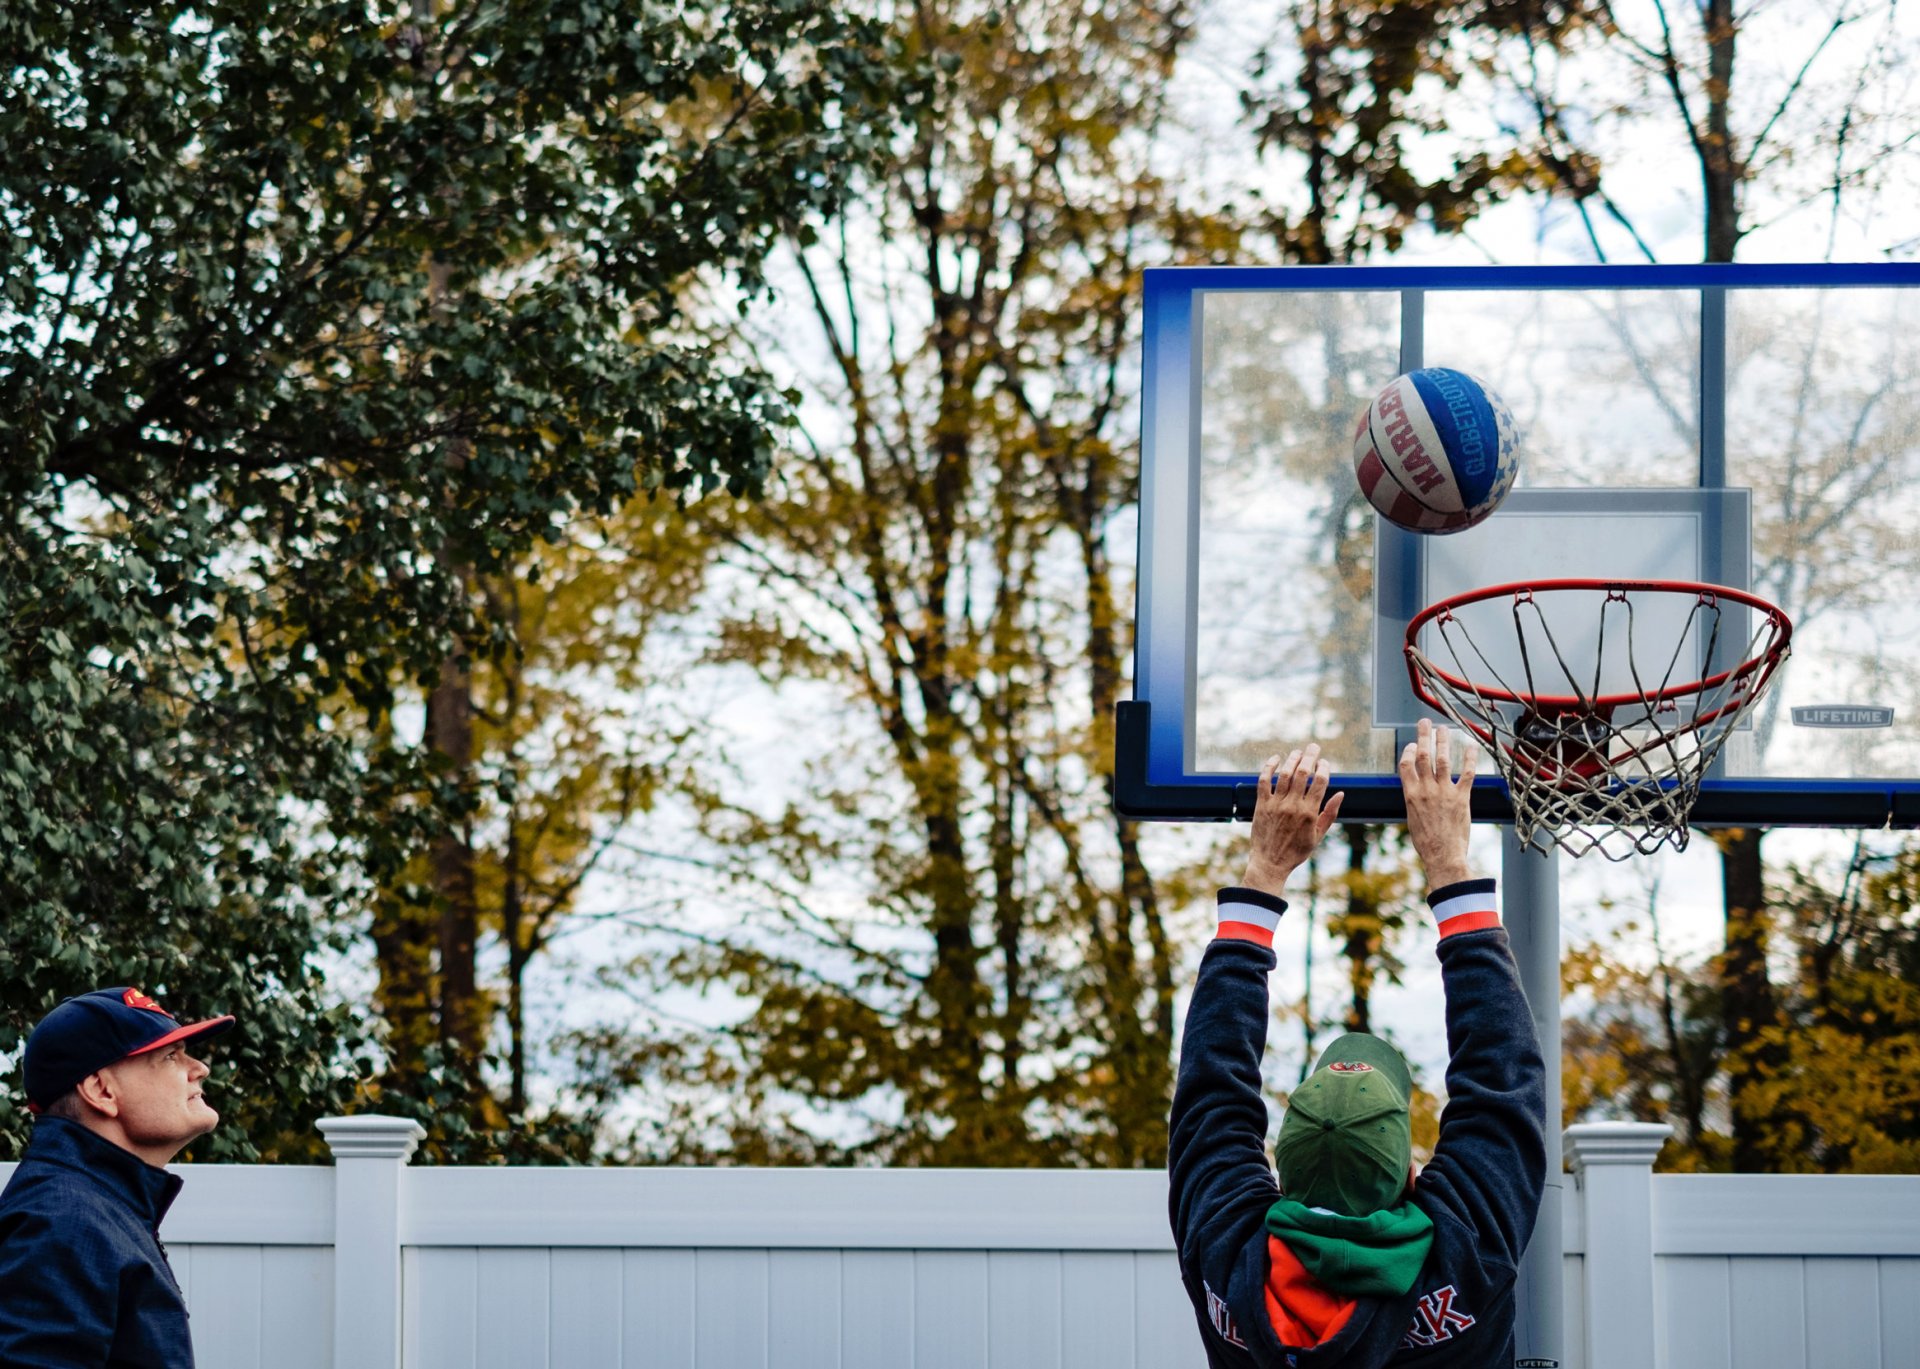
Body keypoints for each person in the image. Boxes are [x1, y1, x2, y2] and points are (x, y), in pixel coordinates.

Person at [1169, 720, 1547, 1367]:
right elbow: (1501, 1077)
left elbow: (1211, 1093)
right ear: (1409, 1174)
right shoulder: (1465, 1252)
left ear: (1279, 1170)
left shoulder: (1229, 1263)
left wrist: (1263, 869)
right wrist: (1447, 860)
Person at [0, 986, 235, 1368]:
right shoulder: (61, 1223)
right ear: (101, 1090)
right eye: (170, 1056)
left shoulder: (97, 1209)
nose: (199, 1068)